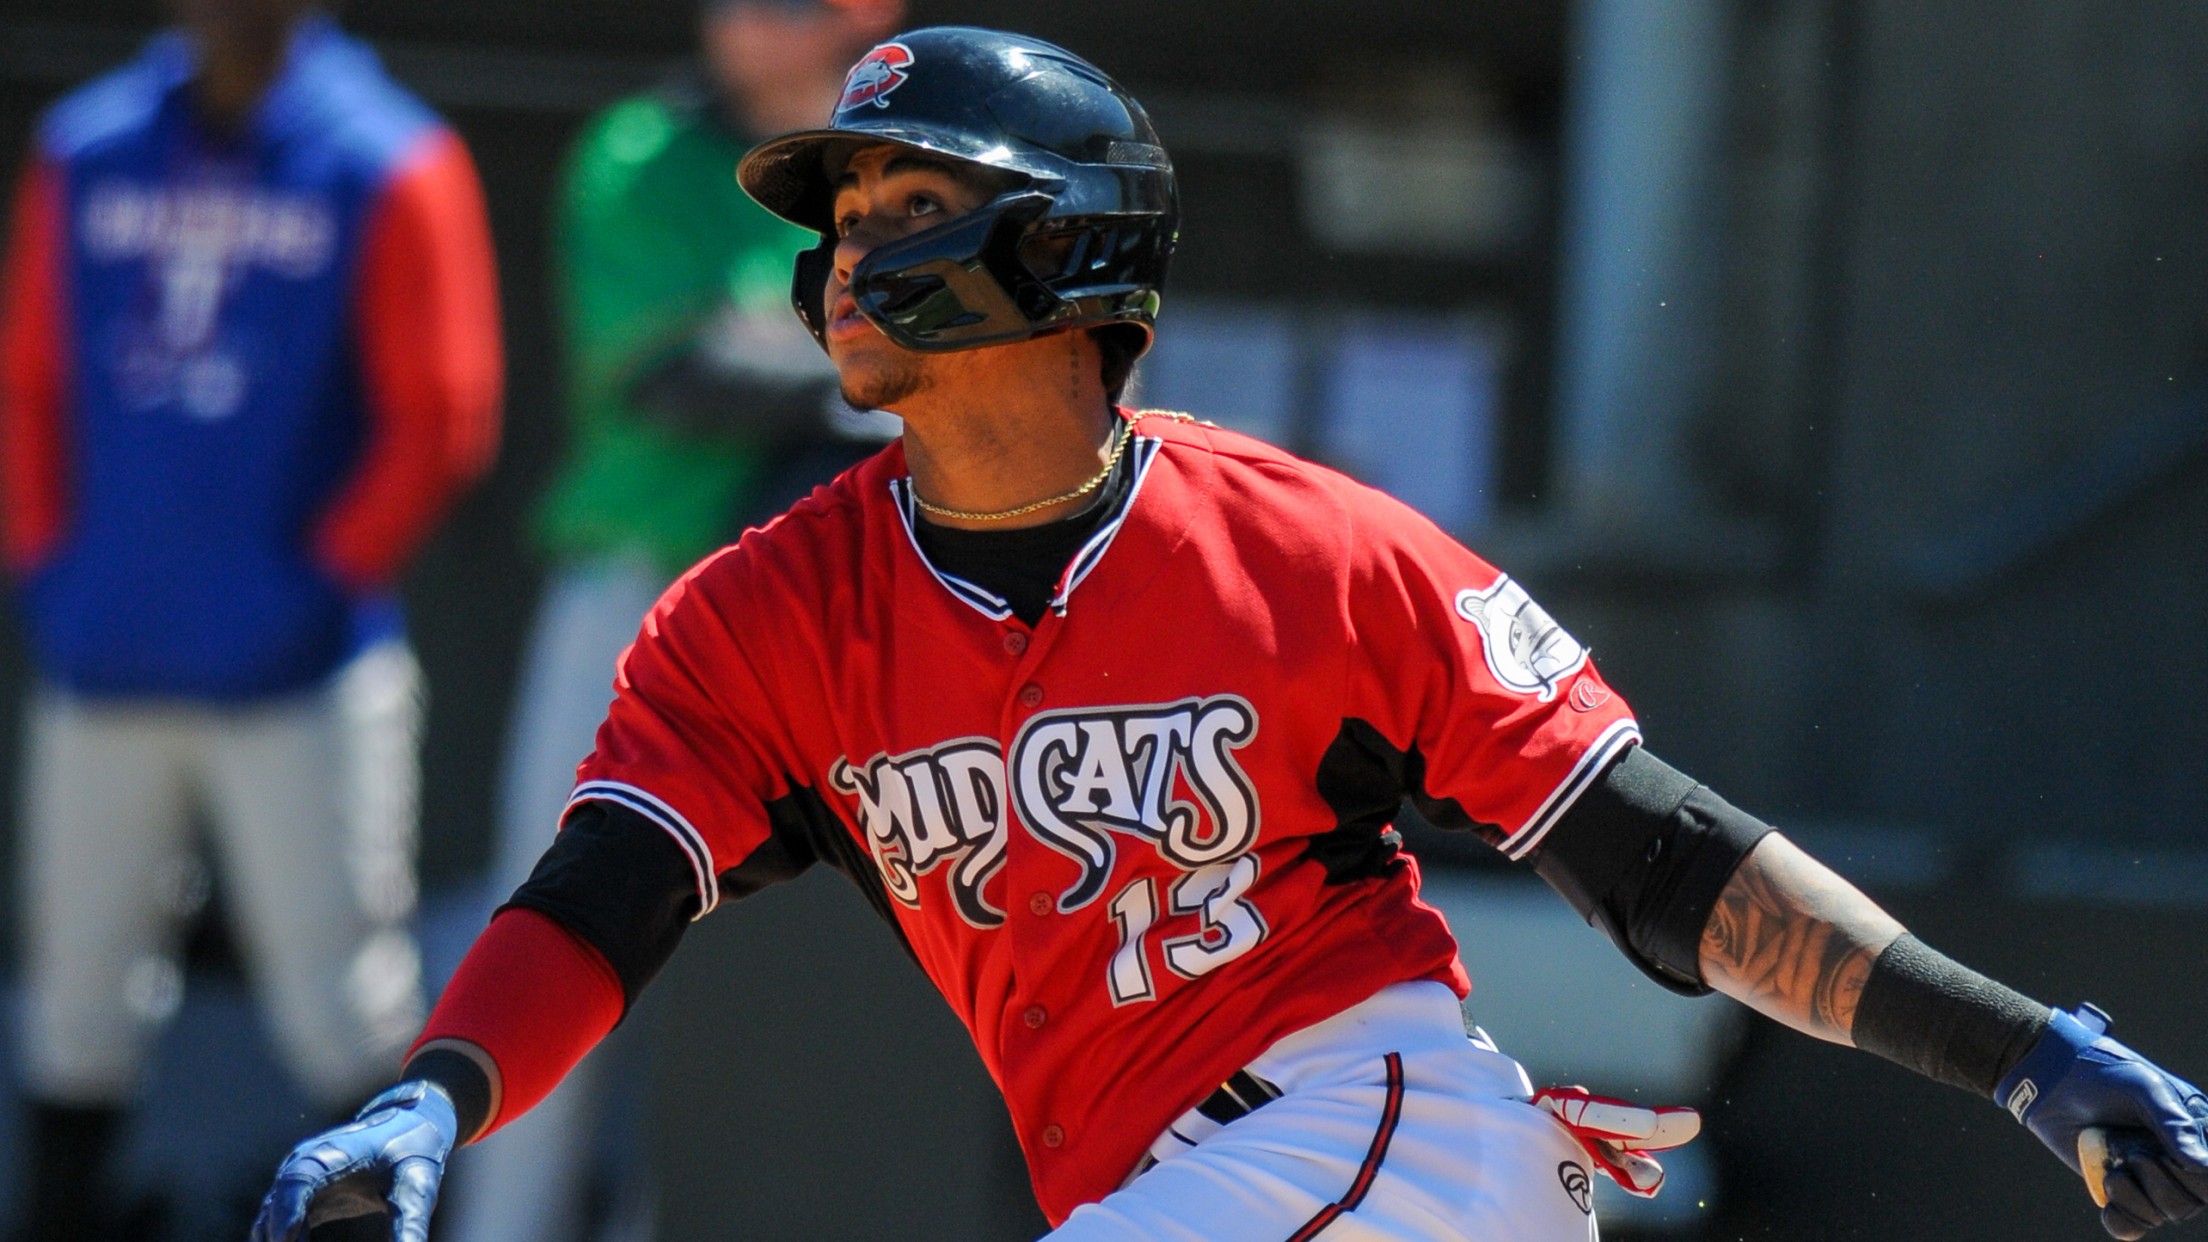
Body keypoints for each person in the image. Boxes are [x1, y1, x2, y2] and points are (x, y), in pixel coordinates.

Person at [252, 26, 2208, 1242]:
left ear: (1062, 244)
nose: (846, 246)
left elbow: (1660, 858)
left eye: (905, 199)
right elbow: (596, 900)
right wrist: (428, 1094)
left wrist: (2022, 1055)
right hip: (1182, 1190)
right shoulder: (763, 614)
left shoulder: (1312, 554)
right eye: (836, 211)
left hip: (1375, 1144)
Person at [0, 0, 502, 1237]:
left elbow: (444, 413)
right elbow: (27, 384)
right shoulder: (87, 147)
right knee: (73, 1002)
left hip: (303, 676)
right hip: (103, 663)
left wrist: (306, 592)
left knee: (344, 1005)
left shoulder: (388, 154)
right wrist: (54, 579)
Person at [442, 2, 898, 1240]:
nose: (748, 20)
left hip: (827, 623)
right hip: (636, 587)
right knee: (556, 916)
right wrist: (872, 364)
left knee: (770, 976)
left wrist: (806, 356)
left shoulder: (904, 163)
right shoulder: (640, 151)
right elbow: (673, 375)